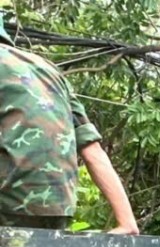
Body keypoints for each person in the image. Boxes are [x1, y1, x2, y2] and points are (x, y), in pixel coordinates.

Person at [0, 17, 138, 233]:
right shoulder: (48, 70)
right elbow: (92, 149)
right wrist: (127, 221)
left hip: (8, 202)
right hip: (57, 207)